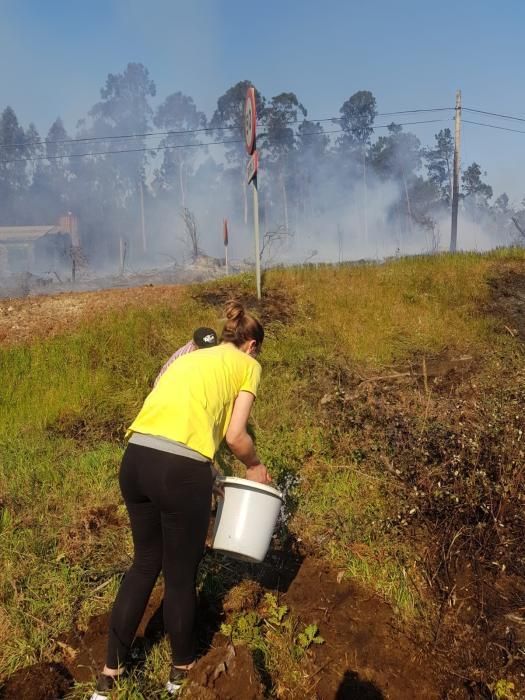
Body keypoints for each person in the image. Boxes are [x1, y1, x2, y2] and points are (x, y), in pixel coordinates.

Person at [90, 301, 271, 700]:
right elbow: (236, 436)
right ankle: (182, 670)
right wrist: (255, 467)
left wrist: (208, 469)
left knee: (143, 565)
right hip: (178, 472)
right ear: (252, 345)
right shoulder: (248, 367)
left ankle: (108, 676)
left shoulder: (192, 354)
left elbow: (175, 409)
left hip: (135, 459)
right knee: (178, 574)